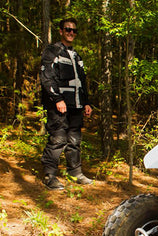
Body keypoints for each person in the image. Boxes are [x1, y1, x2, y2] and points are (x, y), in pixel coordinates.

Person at [39, 17, 94, 189]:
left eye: (74, 30)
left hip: (76, 105)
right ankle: (49, 175)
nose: (71, 33)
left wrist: (86, 102)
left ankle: (75, 172)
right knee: (58, 138)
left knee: (74, 139)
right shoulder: (52, 51)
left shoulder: (76, 56)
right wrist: (57, 99)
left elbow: (82, 81)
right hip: (59, 105)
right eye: (68, 29)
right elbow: (46, 77)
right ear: (61, 31)